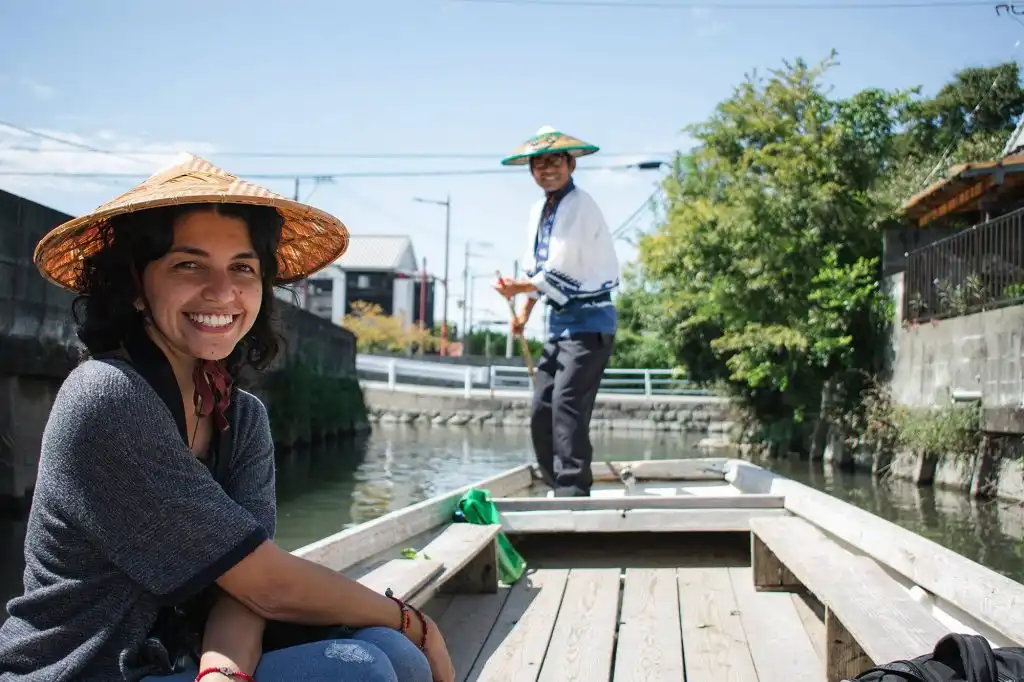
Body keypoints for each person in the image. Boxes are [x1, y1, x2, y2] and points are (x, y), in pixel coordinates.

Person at [0, 154, 455, 682]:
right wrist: (415, 621)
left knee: (392, 652)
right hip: (88, 670)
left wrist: (223, 671)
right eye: (188, 264)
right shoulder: (108, 397)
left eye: (242, 267)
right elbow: (269, 584)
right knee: (365, 668)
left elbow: (245, 591)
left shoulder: (242, 417)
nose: (221, 291)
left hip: (182, 658)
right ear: (134, 287)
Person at [493, 126, 620, 497]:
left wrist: (519, 288)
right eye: (539, 164)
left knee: (567, 403)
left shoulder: (581, 205)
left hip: (591, 323)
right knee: (541, 407)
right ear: (531, 171)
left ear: (571, 164)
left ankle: (574, 487)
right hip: (559, 326)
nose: (547, 169)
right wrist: (524, 314)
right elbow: (539, 271)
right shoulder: (539, 209)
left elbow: (559, 270)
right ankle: (555, 481)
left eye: (555, 161)